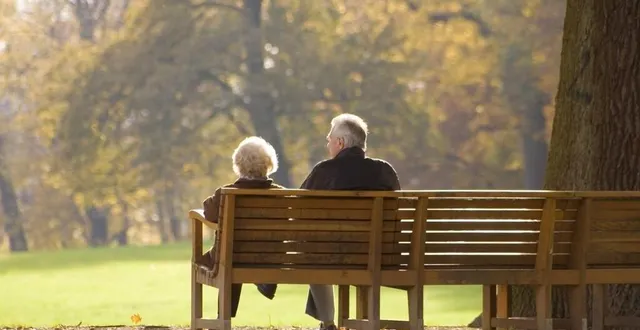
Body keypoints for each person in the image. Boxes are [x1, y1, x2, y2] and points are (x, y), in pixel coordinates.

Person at [300, 113, 401, 330]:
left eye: (329, 139)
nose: (327, 144)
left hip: (331, 256)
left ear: (341, 142)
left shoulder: (324, 171)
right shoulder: (385, 171)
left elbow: (297, 207)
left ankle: (328, 322)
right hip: (381, 255)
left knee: (313, 249)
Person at [201, 136, 282, 318]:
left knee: (228, 253)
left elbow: (209, 214)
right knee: (235, 250)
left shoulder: (225, 194)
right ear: (269, 164)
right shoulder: (281, 196)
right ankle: (264, 280)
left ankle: (224, 317)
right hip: (268, 259)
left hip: (231, 257)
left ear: (238, 164)